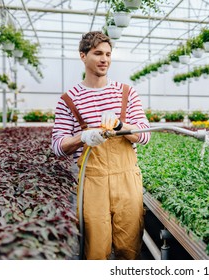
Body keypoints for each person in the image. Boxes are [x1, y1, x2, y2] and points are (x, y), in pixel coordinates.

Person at [51, 31, 151, 260]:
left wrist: (120, 125)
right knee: (96, 249)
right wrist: (82, 137)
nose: (104, 59)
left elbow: (145, 136)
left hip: (127, 179)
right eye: (97, 53)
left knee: (130, 247)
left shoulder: (126, 93)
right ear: (83, 56)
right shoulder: (69, 99)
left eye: (107, 54)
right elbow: (57, 145)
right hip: (92, 181)